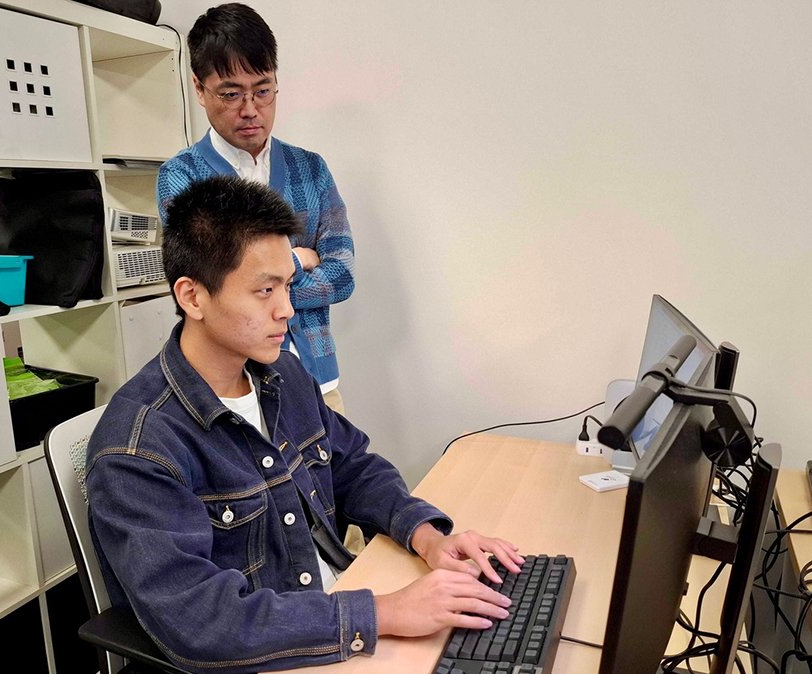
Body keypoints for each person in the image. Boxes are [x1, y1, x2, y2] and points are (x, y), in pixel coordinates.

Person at [87, 175, 525, 674]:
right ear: (193, 297)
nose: (287, 310)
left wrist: (428, 537)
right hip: (269, 654)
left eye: (288, 285)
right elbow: (200, 622)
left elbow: (353, 466)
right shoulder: (138, 446)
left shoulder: (284, 375)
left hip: (330, 616)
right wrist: (390, 611)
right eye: (264, 291)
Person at [157, 3, 353, 415]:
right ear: (199, 88)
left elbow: (344, 275)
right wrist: (299, 261)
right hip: (229, 388)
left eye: (263, 90)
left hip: (318, 379)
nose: (250, 109)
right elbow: (211, 293)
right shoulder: (182, 176)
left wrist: (263, 283)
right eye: (230, 93)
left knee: (340, 476)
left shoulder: (310, 168)